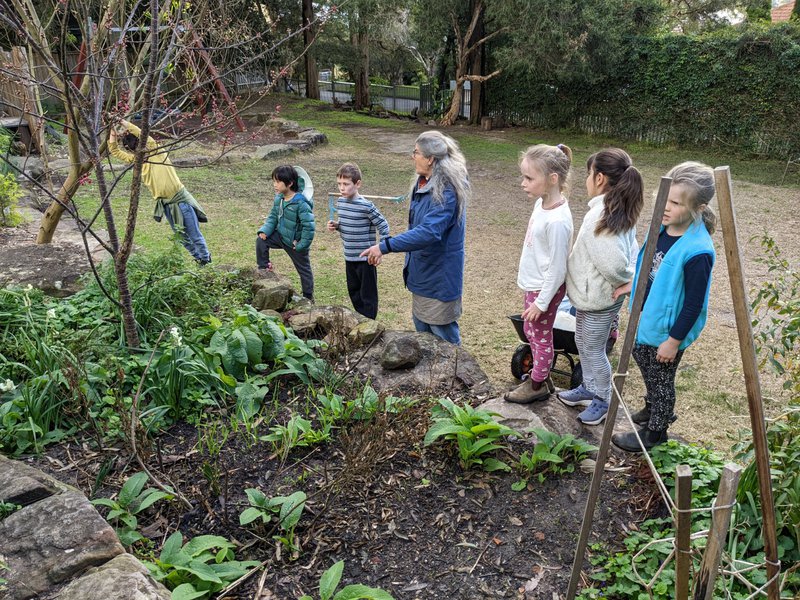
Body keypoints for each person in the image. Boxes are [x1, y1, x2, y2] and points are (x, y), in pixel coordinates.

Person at [612, 162, 717, 452]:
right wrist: (632, 287)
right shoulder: (663, 228)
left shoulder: (698, 251)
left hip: (668, 330)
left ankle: (656, 431)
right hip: (650, 317)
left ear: (698, 207)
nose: (666, 207)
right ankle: (653, 407)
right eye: (664, 199)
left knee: (662, 380)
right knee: (643, 358)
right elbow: (651, 268)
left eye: (676, 203)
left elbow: (694, 304)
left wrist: (673, 341)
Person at [558, 148, 644, 425]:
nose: (586, 180)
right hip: (591, 296)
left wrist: (625, 280)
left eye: (588, 174)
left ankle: (604, 399)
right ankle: (589, 388)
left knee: (594, 350)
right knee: (582, 342)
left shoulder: (601, 216)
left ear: (599, 178)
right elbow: (632, 249)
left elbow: (614, 262)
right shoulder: (613, 210)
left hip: (599, 298)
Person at [360, 131, 470, 345]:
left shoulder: (447, 190)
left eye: (416, 152)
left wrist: (385, 246)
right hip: (422, 275)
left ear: (430, 159)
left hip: (439, 279)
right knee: (424, 336)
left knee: (444, 339)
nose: (413, 156)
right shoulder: (423, 182)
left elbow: (429, 232)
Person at [504, 144, 574, 404]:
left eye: (529, 178)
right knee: (531, 332)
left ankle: (536, 385)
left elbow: (558, 269)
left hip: (545, 288)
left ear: (552, 179)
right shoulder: (541, 204)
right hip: (534, 285)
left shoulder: (558, 221)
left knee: (541, 337)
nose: (523, 183)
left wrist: (541, 302)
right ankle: (542, 377)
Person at [109, 119, 211, 265]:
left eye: (138, 146)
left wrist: (119, 120)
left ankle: (206, 260)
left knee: (194, 235)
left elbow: (140, 132)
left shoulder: (157, 151)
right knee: (181, 237)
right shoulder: (137, 161)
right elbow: (115, 151)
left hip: (181, 201)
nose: (138, 151)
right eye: (134, 150)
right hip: (166, 205)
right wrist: (112, 130)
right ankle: (199, 258)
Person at [327, 163, 390, 319]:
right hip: (349, 256)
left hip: (365, 259)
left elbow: (383, 225)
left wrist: (381, 248)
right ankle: (361, 318)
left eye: (346, 184)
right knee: (354, 291)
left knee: (368, 294)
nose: (342, 188)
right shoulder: (341, 202)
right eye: (339, 184)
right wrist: (337, 226)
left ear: (358, 184)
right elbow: (346, 224)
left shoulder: (366, 206)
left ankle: (370, 322)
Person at [257, 165, 315, 300]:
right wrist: (265, 231)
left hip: (295, 243)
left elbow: (309, 227)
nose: (274, 185)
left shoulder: (301, 203)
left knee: (304, 270)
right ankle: (264, 269)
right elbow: (273, 217)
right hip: (281, 236)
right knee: (261, 241)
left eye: (278, 182)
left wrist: (301, 245)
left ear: (289, 183)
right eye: (274, 181)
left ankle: (308, 297)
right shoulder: (279, 198)